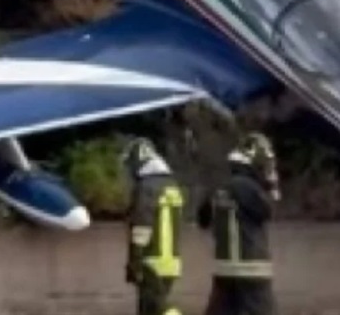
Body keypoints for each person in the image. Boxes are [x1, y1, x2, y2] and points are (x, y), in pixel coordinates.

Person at [197, 132, 280, 315]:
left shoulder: (221, 186)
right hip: (251, 271)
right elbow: (267, 211)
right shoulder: (246, 186)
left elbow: (203, 219)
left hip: (224, 271)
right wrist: (271, 185)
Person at [120, 137, 184, 315]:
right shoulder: (172, 185)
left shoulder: (146, 187)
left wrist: (135, 261)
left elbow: (142, 226)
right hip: (171, 262)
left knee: (157, 308)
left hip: (151, 261)